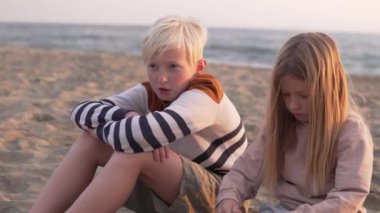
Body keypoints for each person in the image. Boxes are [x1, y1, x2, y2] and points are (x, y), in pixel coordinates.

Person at [30, 15, 249, 213]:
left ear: (198, 67)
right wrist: (127, 117)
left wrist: (139, 134)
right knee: (91, 141)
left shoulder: (204, 96)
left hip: (224, 197)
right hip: (171, 188)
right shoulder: (150, 92)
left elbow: (133, 137)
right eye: (154, 66)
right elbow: (80, 113)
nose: (161, 78)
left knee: (135, 151)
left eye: (173, 67)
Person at [216, 32, 373, 212]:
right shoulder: (280, 125)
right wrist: (229, 197)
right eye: (285, 94)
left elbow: (350, 196)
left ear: (329, 89)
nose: (293, 105)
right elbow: (244, 172)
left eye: (304, 96)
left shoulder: (351, 131)